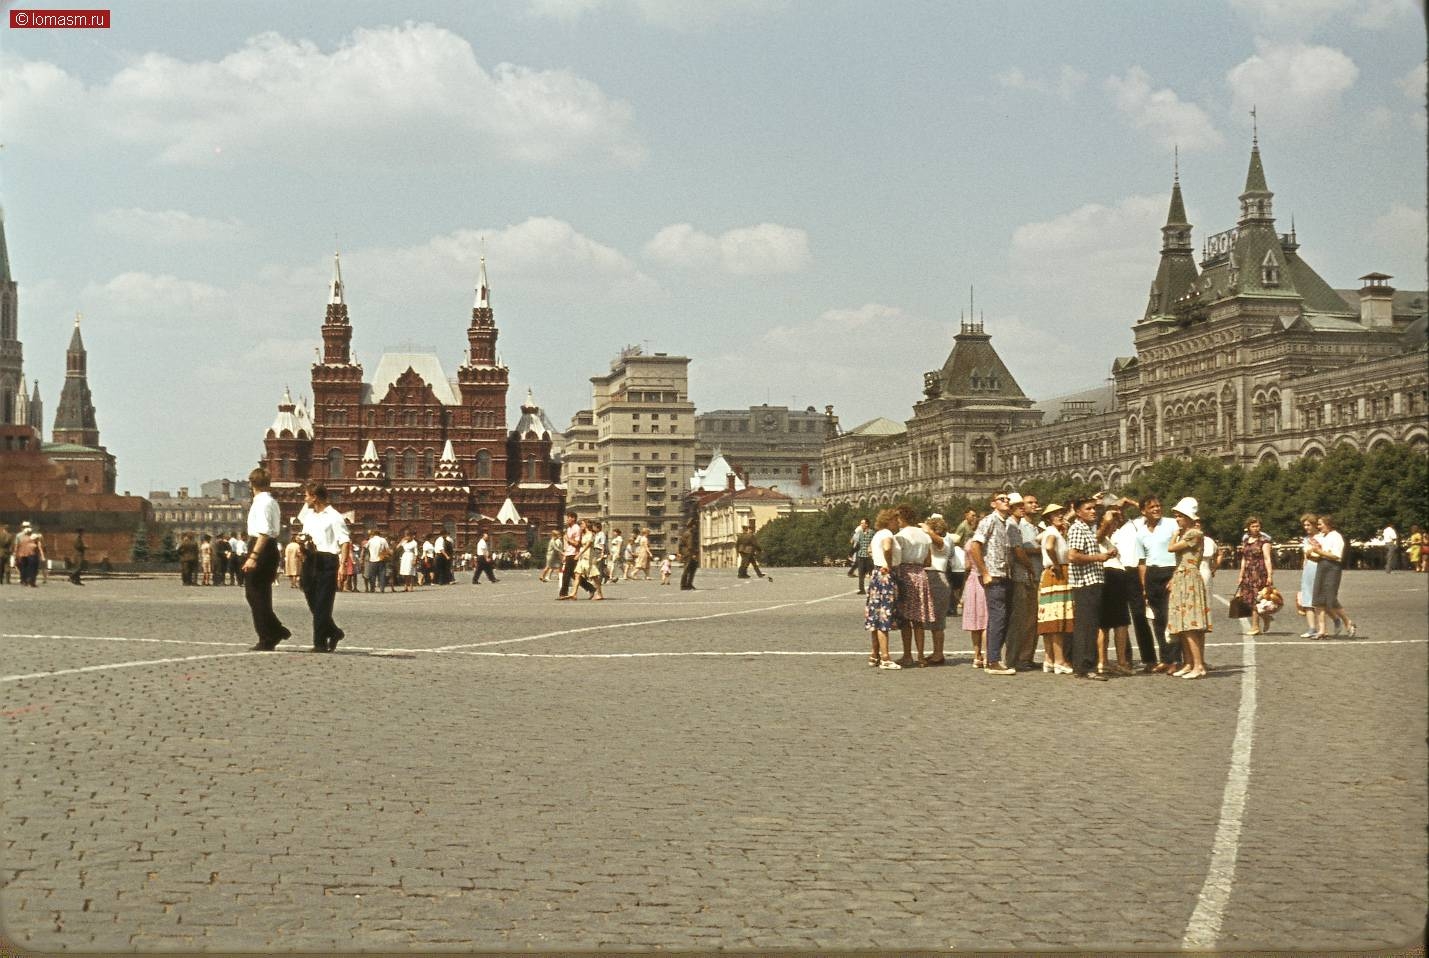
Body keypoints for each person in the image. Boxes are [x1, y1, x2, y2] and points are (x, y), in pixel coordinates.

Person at [240, 467, 290, 652]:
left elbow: (264, 532)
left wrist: (253, 556)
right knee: (261, 594)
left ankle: (269, 635)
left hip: (261, 547)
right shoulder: (271, 501)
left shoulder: (261, 503)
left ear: (251, 484)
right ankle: (274, 631)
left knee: (254, 594)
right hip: (268, 547)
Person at [297, 480, 350, 652]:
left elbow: (345, 541)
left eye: (307, 496)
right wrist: (301, 545)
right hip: (311, 559)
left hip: (327, 560)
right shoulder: (309, 516)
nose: (304, 499)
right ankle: (334, 632)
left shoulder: (334, 516)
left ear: (315, 498)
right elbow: (305, 534)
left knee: (323, 603)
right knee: (311, 598)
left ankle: (319, 643)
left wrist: (343, 565)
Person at [1067, 497, 1113, 681]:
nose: (1093, 511)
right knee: (1087, 626)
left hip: (1092, 581)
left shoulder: (1086, 529)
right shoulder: (1077, 528)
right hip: (1085, 583)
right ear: (1078, 512)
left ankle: (1083, 665)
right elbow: (1073, 556)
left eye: (1094, 508)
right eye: (1088, 508)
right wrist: (1098, 558)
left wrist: (1104, 555)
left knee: (1088, 625)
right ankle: (1086, 666)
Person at [967, 492, 1014, 673]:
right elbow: (975, 546)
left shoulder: (1005, 523)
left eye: (1008, 499)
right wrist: (984, 572)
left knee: (999, 618)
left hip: (1003, 574)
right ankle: (993, 661)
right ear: (993, 503)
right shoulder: (989, 520)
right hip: (993, 575)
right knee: (998, 618)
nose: (1007, 501)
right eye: (1002, 499)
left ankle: (991, 658)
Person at [1131, 494, 1178, 673]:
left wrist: (1175, 576)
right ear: (1143, 511)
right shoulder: (1140, 534)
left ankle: (1175, 659)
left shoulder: (1172, 524)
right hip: (1152, 574)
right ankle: (1165, 658)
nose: (1157, 509)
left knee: (1169, 618)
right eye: (1152, 507)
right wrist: (1144, 586)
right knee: (1157, 620)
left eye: (1158, 506)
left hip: (1170, 572)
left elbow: (1180, 552)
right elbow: (1142, 562)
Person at [1166, 497, 1210, 678]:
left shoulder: (1194, 534)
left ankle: (1198, 665)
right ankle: (1189, 662)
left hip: (1189, 578)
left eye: (1179, 516)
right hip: (1182, 577)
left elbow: (1171, 548)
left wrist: (1174, 535)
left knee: (1191, 624)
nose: (1177, 519)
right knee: (1183, 624)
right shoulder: (1190, 533)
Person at [892, 503, 936, 667]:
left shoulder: (900, 535)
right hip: (921, 575)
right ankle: (921, 657)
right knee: (918, 619)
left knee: (905, 618)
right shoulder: (924, 535)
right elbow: (928, 561)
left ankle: (907, 655)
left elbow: (896, 558)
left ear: (901, 517)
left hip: (905, 575)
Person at [1004, 494, 1042, 671]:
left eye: (1035, 502)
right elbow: (1021, 550)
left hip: (1032, 576)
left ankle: (1026, 656)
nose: (1034, 505)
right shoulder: (1016, 526)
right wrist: (1041, 550)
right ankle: (1018, 658)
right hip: (1024, 576)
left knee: (1031, 619)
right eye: (1030, 503)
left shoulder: (1032, 526)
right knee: (1021, 619)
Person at [1037, 504, 1074, 674]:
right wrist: (1057, 563)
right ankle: (1060, 660)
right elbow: (1050, 547)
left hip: (1049, 575)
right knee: (1059, 619)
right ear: (1049, 518)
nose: (1060, 516)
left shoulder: (1050, 531)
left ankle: (1049, 659)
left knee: (1049, 620)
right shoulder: (1052, 532)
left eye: (1061, 513)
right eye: (1056, 514)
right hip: (1058, 574)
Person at [1097, 506, 1134, 675]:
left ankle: (1108, 662)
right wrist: (1108, 519)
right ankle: (1118, 662)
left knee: (1111, 623)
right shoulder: (1098, 535)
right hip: (1110, 575)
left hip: (1116, 576)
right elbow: (1102, 531)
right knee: (1117, 623)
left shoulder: (1112, 537)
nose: (1114, 524)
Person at [864, 508, 902, 670]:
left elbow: (870, 550)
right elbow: (887, 548)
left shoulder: (876, 534)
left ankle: (875, 654)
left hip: (876, 574)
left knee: (876, 615)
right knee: (884, 615)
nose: (898, 523)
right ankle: (886, 657)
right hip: (885, 575)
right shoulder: (887, 534)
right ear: (889, 520)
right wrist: (888, 563)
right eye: (896, 520)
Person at [1307, 514, 1356, 639]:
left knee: (1330, 598)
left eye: (1320, 524)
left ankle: (1347, 622)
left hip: (1332, 568)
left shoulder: (1336, 537)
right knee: (1318, 599)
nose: (1318, 527)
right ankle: (1322, 630)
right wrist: (1311, 555)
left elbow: (1336, 556)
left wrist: (1319, 552)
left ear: (1328, 524)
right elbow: (1321, 556)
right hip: (1322, 566)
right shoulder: (1322, 537)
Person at [1235, 516, 1275, 635]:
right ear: (1248, 528)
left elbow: (1267, 558)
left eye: (1257, 526)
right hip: (1248, 572)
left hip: (1259, 572)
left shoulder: (1264, 541)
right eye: (1253, 526)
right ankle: (1266, 618)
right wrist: (1241, 574)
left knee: (1256, 599)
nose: (1256, 528)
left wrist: (1269, 575)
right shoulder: (1246, 541)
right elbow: (1244, 558)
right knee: (1248, 599)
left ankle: (1255, 626)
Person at [923, 514, 953, 665]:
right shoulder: (932, 542)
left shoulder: (944, 541)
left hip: (938, 578)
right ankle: (935, 652)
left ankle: (938, 653)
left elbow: (939, 542)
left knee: (938, 621)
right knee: (932, 621)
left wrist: (927, 531)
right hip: (932, 578)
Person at [1295, 514, 1320, 636]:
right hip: (1308, 568)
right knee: (1307, 598)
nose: (1306, 527)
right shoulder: (1306, 539)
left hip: (1319, 567)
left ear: (1315, 525)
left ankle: (1337, 621)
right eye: (1304, 525)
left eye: (1308, 525)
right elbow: (1305, 555)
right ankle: (1311, 628)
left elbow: (1321, 553)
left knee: (1322, 600)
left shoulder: (1321, 537)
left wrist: (1311, 552)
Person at [558, 512, 592, 599]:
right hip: (569, 553)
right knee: (574, 574)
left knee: (566, 574)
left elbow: (577, 543)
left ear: (573, 518)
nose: (567, 520)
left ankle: (563, 593)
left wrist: (567, 539)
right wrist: (565, 553)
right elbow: (568, 544)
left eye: (568, 518)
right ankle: (591, 588)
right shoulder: (569, 529)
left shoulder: (576, 528)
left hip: (574, 554)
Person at [849, 518, 874, 593]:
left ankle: (873, 588)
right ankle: (861, 589)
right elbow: (856, 544)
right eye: (861, 523)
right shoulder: (859, 533)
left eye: (862, 523)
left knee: (871, 574)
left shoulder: (872, 533)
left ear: (867, 524)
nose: (861, 525)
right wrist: (851, 553)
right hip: (860, 556)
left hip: (869, 556)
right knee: (861, 574)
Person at [364, 528, 390, 593]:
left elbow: (365, 547)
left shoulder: (370, 540)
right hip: (381, 559)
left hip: (372, 560)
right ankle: (382, 588)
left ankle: (372, 588)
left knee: (372, 575)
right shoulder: (383, 540)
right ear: (379, 534)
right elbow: (387, 549)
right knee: (382, 574)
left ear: (373, 534)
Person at [677, 518, 700, 590]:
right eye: (695, 526)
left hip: (685, 553)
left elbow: (680, 545)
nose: (696, 528)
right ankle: (684, 585)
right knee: (688, 569)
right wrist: (694, 554)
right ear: (692, 526)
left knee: (691, 568)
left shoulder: (685, 533)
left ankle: (688, 584)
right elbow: (690, 545)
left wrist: (680, 553)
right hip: (689, 553)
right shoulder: (690, 534)